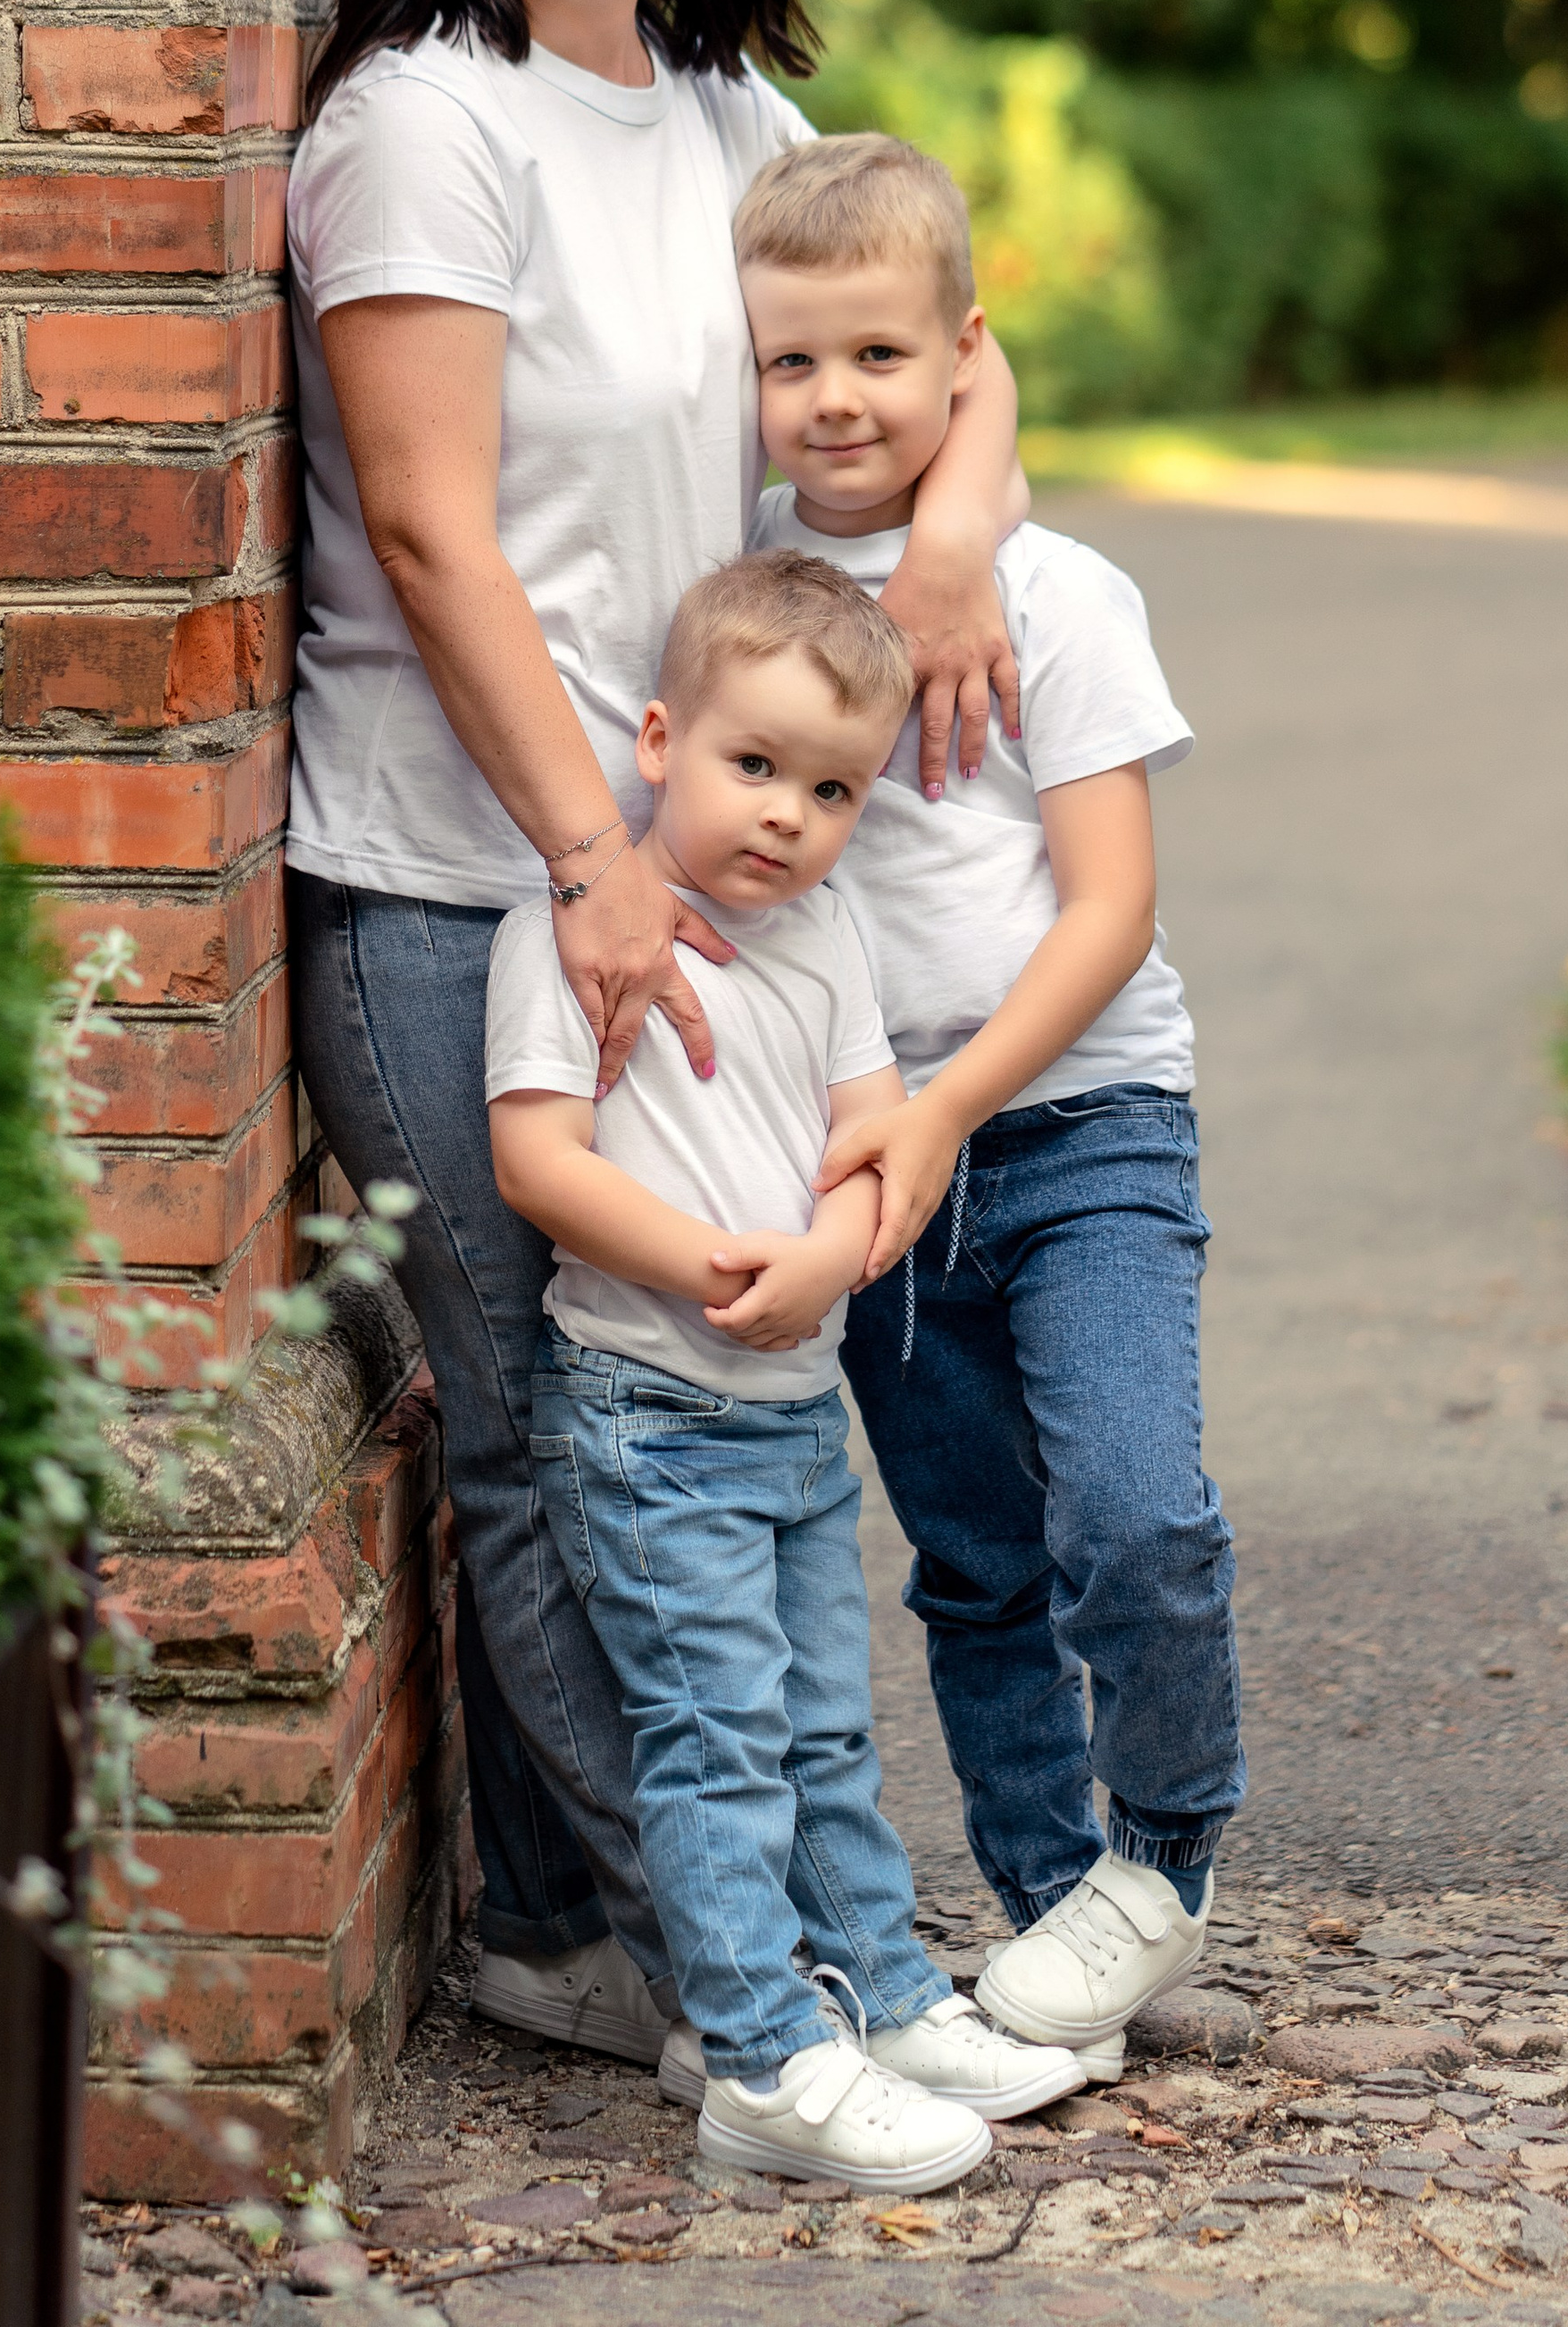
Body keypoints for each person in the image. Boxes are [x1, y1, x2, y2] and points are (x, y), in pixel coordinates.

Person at [283, 0, 1030, 2081]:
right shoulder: (421, 120)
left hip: (691, 887)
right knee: (539, 1434)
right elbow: (425, 527)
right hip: (460, 869)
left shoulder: (727, 126)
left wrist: (945, 543)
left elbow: (941, 327)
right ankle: (721, 1976)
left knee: (701, 1406)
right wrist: (583, 858)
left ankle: (602, 1918)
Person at [737, 133, 1245, 2085]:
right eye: (792, 365)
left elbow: (1109, 910)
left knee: (1133, 1514)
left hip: (1076, 1121)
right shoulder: (745, 603)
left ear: (964, 359)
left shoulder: (1052, 592)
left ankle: (1162, 1855)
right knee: (973, 1559)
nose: (837, 399)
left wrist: (947, 1103)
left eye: (877, 355)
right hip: (865, 1155)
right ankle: (1055, 1932)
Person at [488, 552, 1086, 2182]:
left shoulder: (826, 945)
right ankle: (758, 2057)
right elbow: (540, 1160)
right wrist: (704, 1269)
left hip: (792, 1412)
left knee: (828, 1730)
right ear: (662, 738)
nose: (786, 815)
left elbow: (870, 1139)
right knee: (719, 1740)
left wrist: (827, 1256)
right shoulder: (573, 937)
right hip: (645, 1412)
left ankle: (885, 1995)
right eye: (755, 766)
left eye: (831, 789)